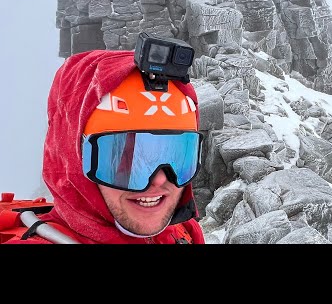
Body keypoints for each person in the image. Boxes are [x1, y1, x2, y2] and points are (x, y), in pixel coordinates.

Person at [4, 48, 205, 244]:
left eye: (176, 155)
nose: (160, 178)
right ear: (75, 158)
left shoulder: (183, 232)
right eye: (124, 157)